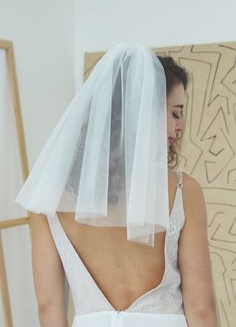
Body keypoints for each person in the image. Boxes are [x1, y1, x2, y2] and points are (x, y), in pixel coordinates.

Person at [16, 43, 218, 327]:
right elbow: (201, 309)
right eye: (174, 112)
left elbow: (48, 306)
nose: (180, 125)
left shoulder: (47, 198)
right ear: (140, 112)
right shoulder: (185, 190)